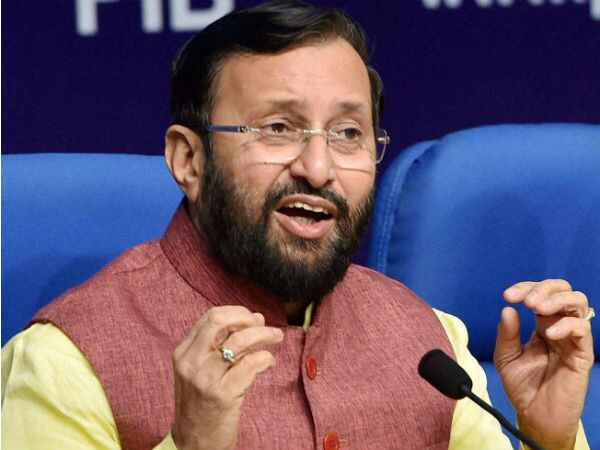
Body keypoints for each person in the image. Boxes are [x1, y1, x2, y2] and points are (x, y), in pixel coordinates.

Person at [1, 1, 595, 449]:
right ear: (189, 160)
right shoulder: (64, 361)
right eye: (277, 129)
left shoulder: (431, 341)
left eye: (348, 134)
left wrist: (549, 440)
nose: (318, 167)